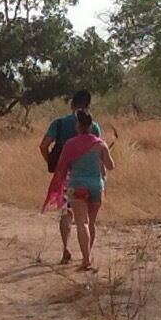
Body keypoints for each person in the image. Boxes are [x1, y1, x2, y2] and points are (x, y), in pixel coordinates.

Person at [41, 109, 114, 270]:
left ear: (78, 126)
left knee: (82, 223)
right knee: (91, 223)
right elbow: (110, 166)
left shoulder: (70, 144)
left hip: (77, 185)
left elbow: (62, 166)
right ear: (91, 125)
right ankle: (88, 255)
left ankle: (86, 260)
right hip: (96, 185)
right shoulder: (100, 144)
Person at [38, 90, 99, 262]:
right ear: (88, 105)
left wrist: (52, 162)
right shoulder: (94, 126)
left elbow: (43, 145)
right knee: (88, 219)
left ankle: (66, 248)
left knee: (66, 212)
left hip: (66, 175)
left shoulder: (58, 123)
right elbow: (97, 151)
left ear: (72, 104)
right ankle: (87, 254)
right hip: (90, 174)